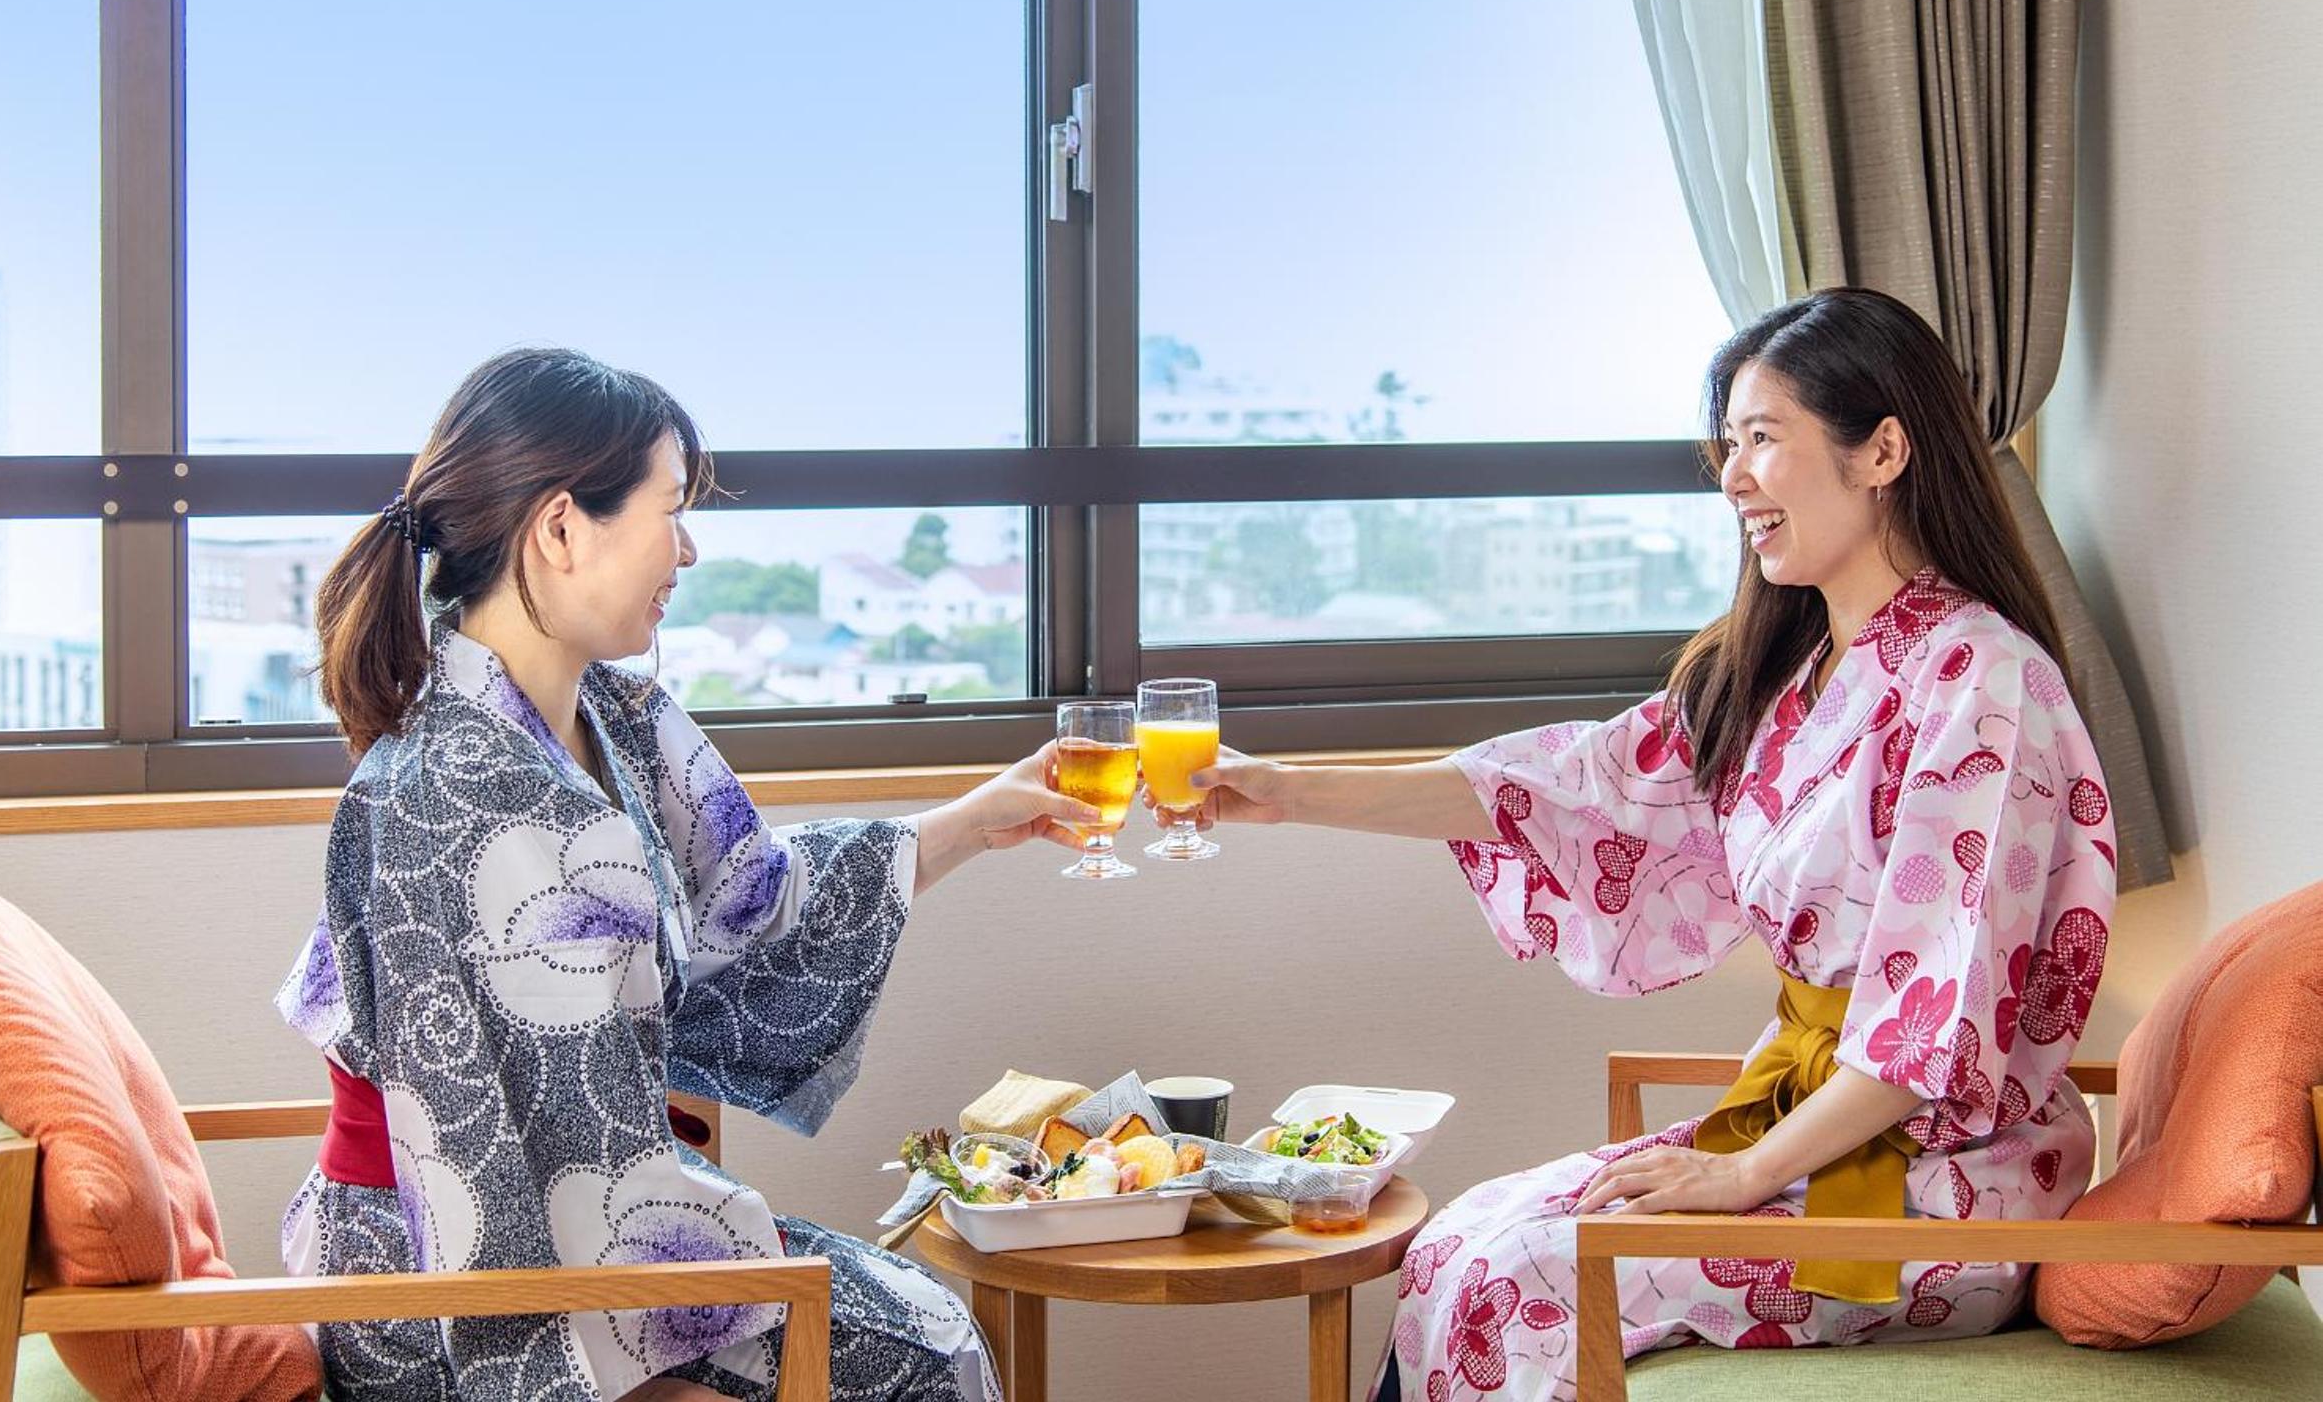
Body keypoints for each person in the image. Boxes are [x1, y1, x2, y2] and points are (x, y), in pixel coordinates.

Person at [1155, 290, 2117, 1399]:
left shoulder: (1985, 683)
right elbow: (1570, 787)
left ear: (1882, 451)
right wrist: (1286, 793)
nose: (1733, 477)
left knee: (1520, 1277)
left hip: (1941, 1188)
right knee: (1460, 1237)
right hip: (1815, 1133)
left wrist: (1741, 1176)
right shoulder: (1793, 672)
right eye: (1729, 444)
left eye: (1763, 438)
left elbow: (1930, 1021)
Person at [276, 348, 1094, 1401]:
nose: (690, 550)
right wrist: (645, 1376)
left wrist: (978, 822)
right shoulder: (460, 793)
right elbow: (488, 1168)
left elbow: (749, 903)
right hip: (452, 1288)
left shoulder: (614, 716)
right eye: (671, 511)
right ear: (562, 528)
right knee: (919, 1358)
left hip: (590, 1219)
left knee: (927, 1323)